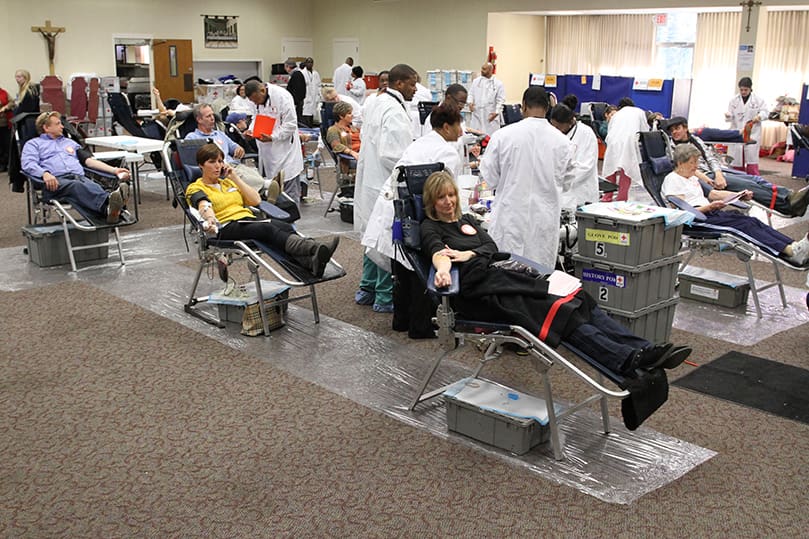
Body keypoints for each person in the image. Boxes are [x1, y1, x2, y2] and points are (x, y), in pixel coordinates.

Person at [421, 170, 692, 375]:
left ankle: (644, 348)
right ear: (431, 202)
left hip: (501, 278)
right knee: (562, 313)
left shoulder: (467, 219)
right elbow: (438, 255)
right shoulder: (430, 227)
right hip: (482, 294)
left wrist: (469, 253)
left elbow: (491, 246)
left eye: (451, 194)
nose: (447, 201)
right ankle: (624, 359)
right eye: (441, 197)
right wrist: (444, 270)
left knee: (579, 298)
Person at [362, 102, 464, 336]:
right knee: (421, 267)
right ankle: (421, 327)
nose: (461, 132)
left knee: (404, 268)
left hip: (395, 210)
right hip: (413, 212)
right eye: (459, 126)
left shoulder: (421, 143)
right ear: (447, 127)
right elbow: (448, 192)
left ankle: (402, 321)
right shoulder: (446, 152)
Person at [186, 143, 339, 277]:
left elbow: (256, 201)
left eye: (220, 161)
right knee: (267, 229)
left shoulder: (228, 184)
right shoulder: (195, 187)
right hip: (225, 226)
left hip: (246, 220)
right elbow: (203, 204)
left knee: (284, 226)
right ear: (201, 165)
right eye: (212, 162)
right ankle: (315, 248)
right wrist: (211, 219)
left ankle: (311, 262)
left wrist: (235, 178)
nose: (218, 166)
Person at [662, 144, 809, 266]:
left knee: (751, 221)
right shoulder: (673, 180)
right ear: (680, 163)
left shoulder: (691, 177)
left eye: (696, 162)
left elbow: (714, 194)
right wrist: (709, 207)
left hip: (708, 214)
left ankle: (794, 247)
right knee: (741, 227)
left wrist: (739, 195)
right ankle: (790, 252)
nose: (696, 166)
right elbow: (681, 212)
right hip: (695, 220)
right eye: (692, 163)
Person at [480, 86, 574, 270]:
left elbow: (489, 179)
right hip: (543, 222)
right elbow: (567, 183)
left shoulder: (502, 136)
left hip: (510, 220)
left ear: (523, 106)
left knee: (505, 278)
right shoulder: (564, 142)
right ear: (548, 108)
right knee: (539, 282)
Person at [354, 63, 417, 313]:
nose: (414, 89)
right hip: (385, 182)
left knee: (371, 236)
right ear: (399, 83)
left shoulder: (377, 102)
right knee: (384, 239)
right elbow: (392, 154)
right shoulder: (394, 110)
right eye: (412, 83)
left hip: (371, 179)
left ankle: (366, 288)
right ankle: (383, 296)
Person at [664, 116, 809, 217]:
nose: (675, 132)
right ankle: (788, 206)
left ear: (685, 128)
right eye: (672, 130)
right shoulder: (672, 147)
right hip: (702, 176)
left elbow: (710, 157)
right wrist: (707, 178)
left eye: (677, 128)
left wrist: (718, 172)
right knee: (748, 185)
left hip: (713, 172)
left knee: (754, 178)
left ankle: (788, 195)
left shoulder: (695, 139)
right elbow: (681, 168)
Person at [21, 111, 131, 224]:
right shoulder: (33, 144)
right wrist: (44, 173)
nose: (62, 126)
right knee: (77, 185)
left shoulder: (70, 143)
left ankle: (111, 208)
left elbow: (89, 161)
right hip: (55, 182)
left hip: (79, 177)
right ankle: (111, 207)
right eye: (58, 123)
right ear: (46, 127)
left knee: (92, 185)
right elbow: (28, 164)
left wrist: (115, 170)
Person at [243, 80, 305, 205]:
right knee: (273, 191)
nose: (255, 103)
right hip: (267, 150)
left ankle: (292, 222)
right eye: (253, 101)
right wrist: (251, 130)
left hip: (285, 149)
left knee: (289, 191)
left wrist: (273, 137)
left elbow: (291, 124)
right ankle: (279, 221)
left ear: (262, 90)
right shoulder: (255, 101)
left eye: (256, 99)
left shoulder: (282, 96)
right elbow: (256, 117)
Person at [185, 104, 269, 195]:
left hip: (234, 165)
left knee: (252, 172)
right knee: (247, 178)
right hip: (219, 169)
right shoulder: (192, 138)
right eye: (208, 116)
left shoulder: (219, 134)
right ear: (199, 119)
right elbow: (194, 161)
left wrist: (239, 148)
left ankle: (267, 191)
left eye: (213, 115)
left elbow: (234, 146)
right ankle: (268, 186)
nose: (212, 118)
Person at [550, 103, 599, 211]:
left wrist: (561, 178)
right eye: (553, 126)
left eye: (558, 127)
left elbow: (586, 167)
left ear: (570, 122)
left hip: (581, 195)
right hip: (560, 195)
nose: (555, 130)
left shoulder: (586, 134)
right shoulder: (553, 134)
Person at [601, 97, 649, 202]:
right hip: (629, 141)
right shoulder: (639, 112)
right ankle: (621, 198)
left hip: (613, 141)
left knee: (610, 168)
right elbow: (645, 131)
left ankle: (607, 196)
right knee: (626, 169)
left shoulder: (616, 114)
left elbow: (610, 130)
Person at [726, 77, 768, 176]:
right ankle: (739, 180)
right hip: (737, 132)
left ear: (750, 89)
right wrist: (728, 116)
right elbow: (730, 116)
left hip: (752, 133)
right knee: (737, 161)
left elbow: (765, 112)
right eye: (741, 90)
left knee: (751, 162)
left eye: (746, 90)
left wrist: (759, 116)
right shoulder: (734, 100)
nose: (743, 92)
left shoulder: (758, 100)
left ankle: (755, 181)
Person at [468, 62, 505, 135]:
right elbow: (471, 93)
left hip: (490, 117)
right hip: (477, 116)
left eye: (484, 69)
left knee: (490, 138)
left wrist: (497, 112)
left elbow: (501, 100)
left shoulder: (498, 84)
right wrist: (470, 103)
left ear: (491, 70)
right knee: (476, 138)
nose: (481, 70)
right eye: (482, 68)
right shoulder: (476, 82)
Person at [325, 101, 360, 172]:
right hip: (351, 158)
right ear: (341, 116)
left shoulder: (354, 127)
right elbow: (336, 146)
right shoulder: (333, 130)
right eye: (349, 113)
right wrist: (352, 153)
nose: (352, 115)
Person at [301, 57, 321, 128]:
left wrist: (318, 96)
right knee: (306, 117)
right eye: (308, 62)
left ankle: (311, 128)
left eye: (311, 62)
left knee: (311, 117)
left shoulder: (316, 73)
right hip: (306, 98)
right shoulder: (302, 73)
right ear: (305, 63)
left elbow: (319, 85)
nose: (310, 64)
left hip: (314, 98)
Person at [0, 85, 13, 172]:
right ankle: (1, 164)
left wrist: (6, 107)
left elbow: (12, 103)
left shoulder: (4, 93)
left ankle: (8, 164)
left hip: (5, 123)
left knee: (7, 144)